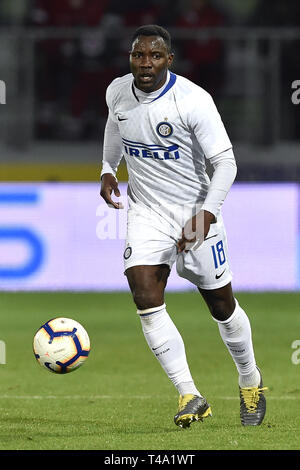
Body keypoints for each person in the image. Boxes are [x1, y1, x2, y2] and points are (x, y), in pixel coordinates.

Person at [100, 24, 267, 428]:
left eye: (154, 56)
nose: (145, 63)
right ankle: (189, 393)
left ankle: (250, 381)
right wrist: (108, 167)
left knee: (222, 307)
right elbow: (116, 125)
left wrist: (206, 215)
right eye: (138, 55)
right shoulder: (117, 91)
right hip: (146, 212)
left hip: (195, 211)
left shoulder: (193, 100)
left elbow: (226, 163)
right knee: (143, 291)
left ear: (168, 60)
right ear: (131, 58)